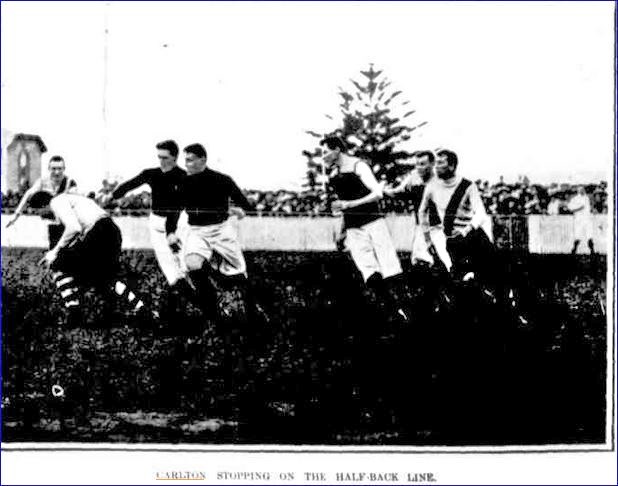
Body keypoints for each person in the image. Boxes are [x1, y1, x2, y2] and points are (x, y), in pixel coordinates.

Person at [165, 143, 265, 324]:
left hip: (221, 231)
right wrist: (170, 232)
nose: (186, 164)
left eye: (190, 160)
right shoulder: (183, 183)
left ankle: (253, 311)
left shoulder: (222, 180)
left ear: (203, 160)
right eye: (185, 160)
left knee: (238, 274)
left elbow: (244, 203)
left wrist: (238, 209)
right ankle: (213, 311)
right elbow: (173, 210)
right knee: (192, 264)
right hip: (197, 232)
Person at [28, 190, 150, 327]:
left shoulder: (56, 202)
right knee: (104, 279)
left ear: (43, 205)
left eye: (37, 212)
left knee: (57, 264)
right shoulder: (71, 199)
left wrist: (54, 252)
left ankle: (74, 311)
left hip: (99, 232)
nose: (40, 217)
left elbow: (74, 228)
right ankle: (141, 309)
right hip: (111, 231)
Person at [321, 134, 408, 323]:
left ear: (337, 149)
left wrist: (349, 205)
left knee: (389, 265)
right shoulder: (334, 175)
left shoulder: (357, 166)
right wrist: (342, 232)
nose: (323, 156)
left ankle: (405, 308)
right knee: (368, 270)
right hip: (353, 228)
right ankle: (392, 311)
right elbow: (343, 207)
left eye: (326, 151)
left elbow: (377, 193)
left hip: (373, 222)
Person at [104, 140, 193, 313]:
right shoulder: (152, 174)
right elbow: (130, 184)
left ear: (175, 157)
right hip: (156, 224)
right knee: (170, 272)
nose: (161, 161)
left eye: (165, 157)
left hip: (176, 225)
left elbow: (176, 208)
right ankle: (175, 311)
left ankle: (203, 306)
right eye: (159, 157)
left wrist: (171, 232)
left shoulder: (183, 177)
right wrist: (112, 195)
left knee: (185, 266)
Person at [418, 149, 493, 284]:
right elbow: (422, 212)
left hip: (473, 237)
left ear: (452, 166)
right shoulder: (431, 187)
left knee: (490, 277)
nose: (436, 166)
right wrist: (427, 240)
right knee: (461, 282)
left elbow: (481, 213)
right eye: (436, 163)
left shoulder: (468, 186)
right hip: (453, 241)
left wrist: (467, 230)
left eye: (441, 163)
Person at [384, 150, 451, 270]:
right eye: (417, 164)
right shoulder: (413, 177)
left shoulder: (442, 179)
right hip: (421, 227)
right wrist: (383, 191)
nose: (419, 167)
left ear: (432, 164)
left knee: (448, 260)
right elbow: (398, 192)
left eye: (423, 164)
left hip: (440, 227)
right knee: (420, 260)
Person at [6, 155, 77, 248]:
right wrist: (16, 215)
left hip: (67, 220)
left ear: (64, 169)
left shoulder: (69, 182)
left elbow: (76, 202)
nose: (57, 172)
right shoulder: (43, 181)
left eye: (60, 169)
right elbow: (28, 194)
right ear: (49, 168)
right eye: (53, 169)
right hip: (52, 221)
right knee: (54, 245)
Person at [567, 185, 595, 254]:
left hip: (587, 219)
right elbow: (570, 208)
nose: (582, 191)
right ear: (578, 191)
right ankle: (574, 250)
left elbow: (588, 208)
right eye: (580, 190)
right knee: (578, 235)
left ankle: (592, 251)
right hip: (579, 220)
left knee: (589, 235)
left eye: (583, 189)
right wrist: (578, 208)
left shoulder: (586, 198)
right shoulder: (575, 199)